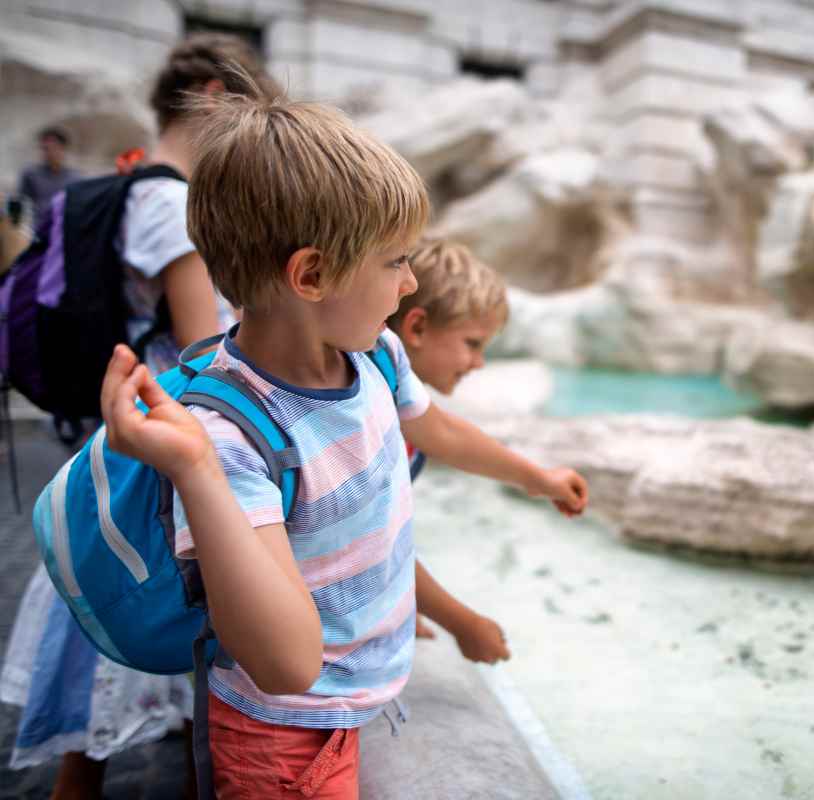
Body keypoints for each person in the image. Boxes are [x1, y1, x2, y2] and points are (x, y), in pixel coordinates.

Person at [99, 87, 588, 797]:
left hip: (358, 691)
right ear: (314, 275)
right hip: (287, 739)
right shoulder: (228, 437)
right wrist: (195, 473)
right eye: (395, 262)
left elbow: (436, 429)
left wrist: (534, 477)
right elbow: (287, 665)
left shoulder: (376, 356)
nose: (411, 280)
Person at [0, 33, 280, 800]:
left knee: (128, 637)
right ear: (217, 101)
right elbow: (201, 346)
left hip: (135, 430)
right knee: (163, 622)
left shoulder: (136, 188)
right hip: (169, 433)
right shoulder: (169, 201)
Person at [388, 238, 512, 657]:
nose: (478, 363)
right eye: (473, 344)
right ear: (417, 328)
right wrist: (464, 624)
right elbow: (377, 544)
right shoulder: (377, 417)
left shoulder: (394, 399)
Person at [17, 127, 81, 221]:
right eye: (45, 149)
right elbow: (22, 204)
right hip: (37, 227)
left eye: (53, 148)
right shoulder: (31, 175)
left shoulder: (75, 178)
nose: (49, 153)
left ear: (63, 149)